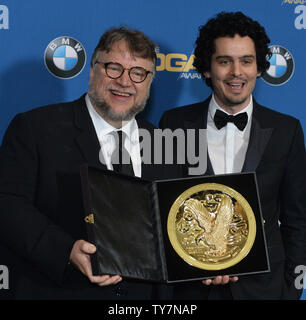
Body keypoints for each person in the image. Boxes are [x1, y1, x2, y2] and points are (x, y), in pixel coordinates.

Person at [0, 27, 173, 299]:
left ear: (150, 82)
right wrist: (66, 250)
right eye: (113, 68)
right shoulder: (36, 129)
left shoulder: (165, 142)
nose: (125, 82)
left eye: (138, 73)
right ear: (92, 71)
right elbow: (7, 204)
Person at [159, 11, 306, 299]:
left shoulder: (286, 130)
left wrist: (292, 289)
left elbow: (297, 220)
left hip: (264, 290)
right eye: (224, 61)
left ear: (259, 68)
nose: (237, 72)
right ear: (206, 68)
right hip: (190, 290)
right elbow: (164, 211)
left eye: (246, 61)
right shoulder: (173, 123)